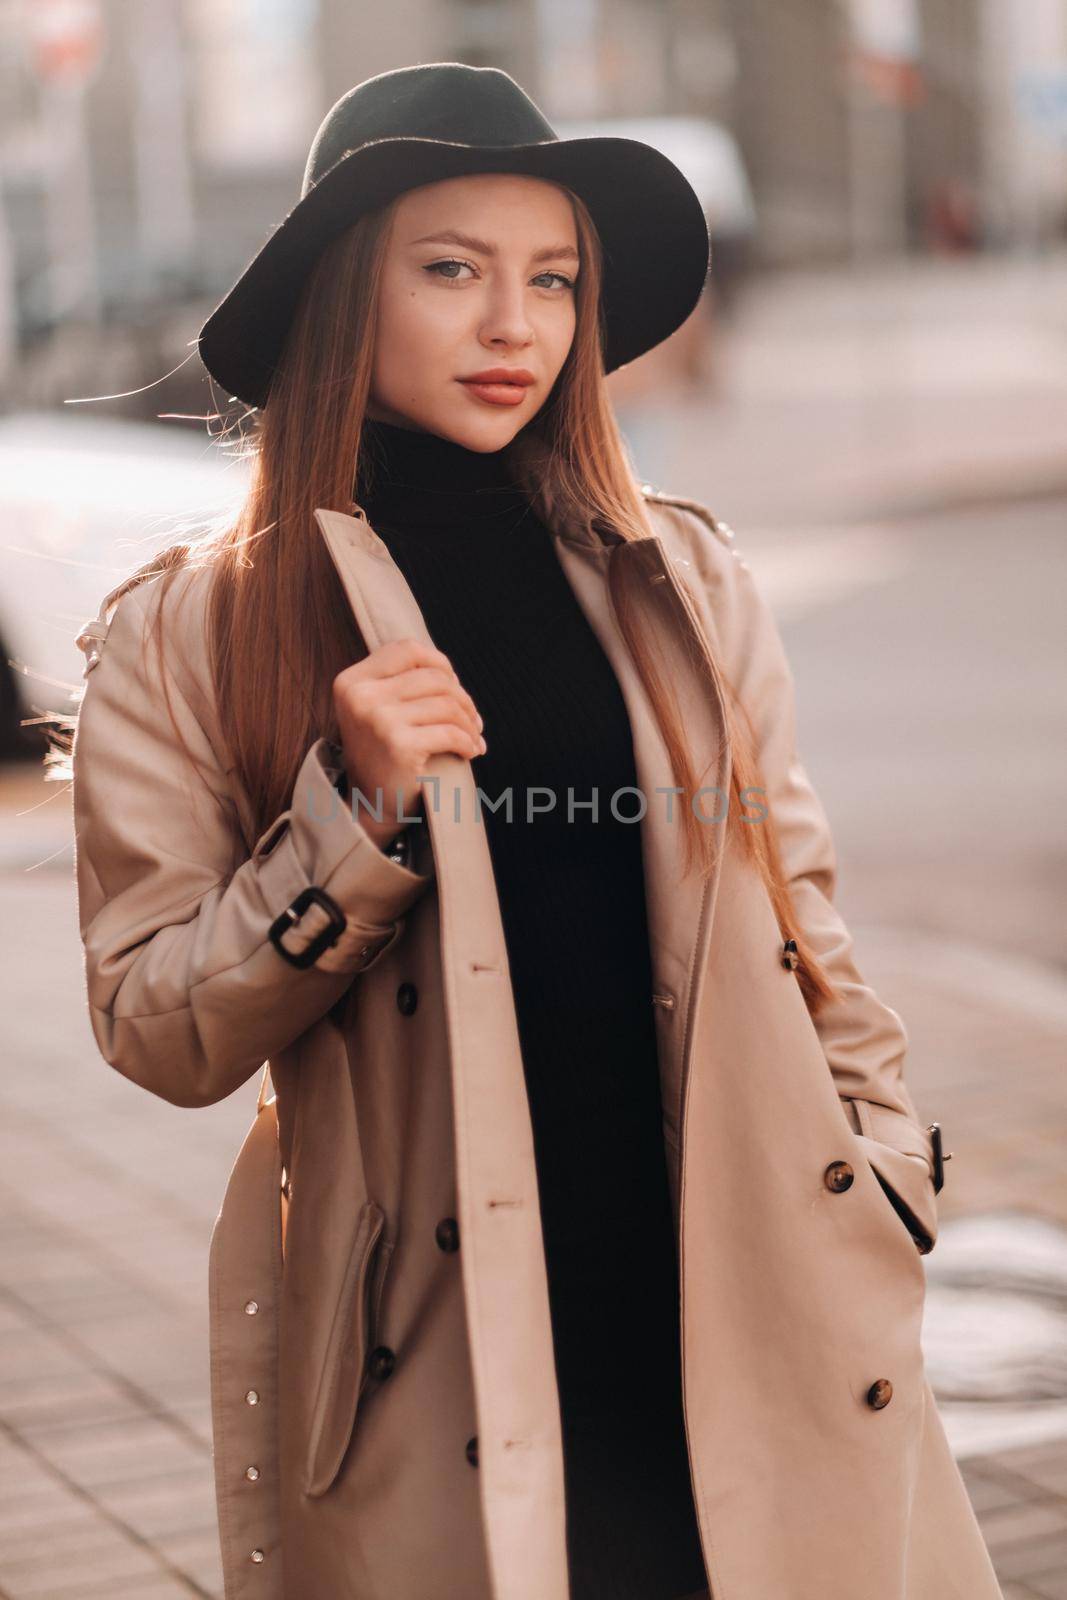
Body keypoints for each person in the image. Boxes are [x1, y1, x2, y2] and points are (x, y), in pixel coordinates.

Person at [69, 62, 1003, 1600]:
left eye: (553, 280)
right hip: (445, 1350)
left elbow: (803, 924)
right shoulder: (197, 630)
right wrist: (352, 819)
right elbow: (154, 1027)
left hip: (749, 1287)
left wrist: (889, 1170)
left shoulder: (679, 582)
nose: (516, 326)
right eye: (452, 271)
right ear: (339, 294)